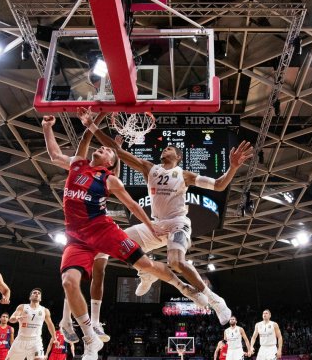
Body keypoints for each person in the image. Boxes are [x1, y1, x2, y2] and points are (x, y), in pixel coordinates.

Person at [42, 114, 207, 360]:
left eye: (107, 150)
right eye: (102, 147)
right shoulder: (77, 164)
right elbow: (56, 153)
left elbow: (131, 205)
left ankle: (183, 288)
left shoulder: (110, 179)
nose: (103, 148)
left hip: (103, 232)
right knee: (68, 282)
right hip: (76, 238)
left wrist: (151, 224)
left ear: (111, 163)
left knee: (147, 266)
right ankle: (89, 336)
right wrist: (48, 127)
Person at [80, 107, 254, 333]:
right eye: (164, 147)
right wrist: (92, 126)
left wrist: (233, 167)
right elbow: (115, 151)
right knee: (117, 241)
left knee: (176, 262)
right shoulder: (148, 168)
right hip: (155, 225)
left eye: (170, 148)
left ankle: (214, 300)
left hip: (178, 223)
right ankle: (146, 273)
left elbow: (220, 185)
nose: (166, 149)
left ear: (178, 157)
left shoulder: (185, 175)